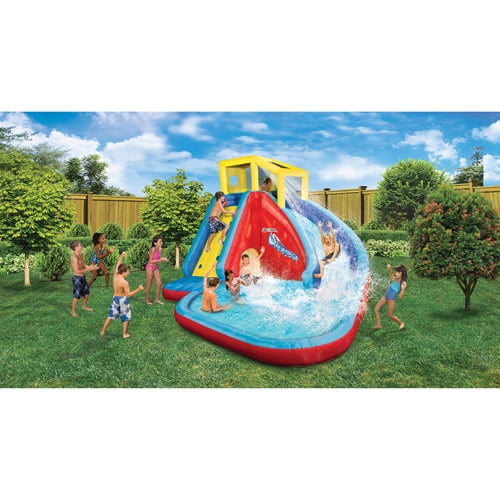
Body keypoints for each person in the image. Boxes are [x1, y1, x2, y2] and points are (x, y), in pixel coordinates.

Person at [100, 251, 144, 339]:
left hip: (115, 298)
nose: (128, 273)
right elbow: (128, 295)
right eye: (127, 272)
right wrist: (138, 290)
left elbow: (118, 265)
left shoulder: (115, 276)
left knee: (111, 315)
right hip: (123, 300)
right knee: (126, 316)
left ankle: (102, 331)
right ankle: (125, 334)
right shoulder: (124, 282)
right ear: (123, 272)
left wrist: (121, 256)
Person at [372, 264, 408, 330]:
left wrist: (403, 289)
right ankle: (378, 324)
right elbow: (392, 278)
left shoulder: (403, 283)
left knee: (390, 315)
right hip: (386, 294)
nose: (395, 273)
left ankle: (401, 323)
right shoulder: (397, 278)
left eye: (396, 272)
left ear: (401, 273)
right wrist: (389, 271)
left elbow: (400, 297)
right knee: (376, 309)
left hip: (391, 298)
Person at [70, 240, 99, 317]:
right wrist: (90, 269)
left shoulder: (81, 254)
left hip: (82, 277)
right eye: (80, 245)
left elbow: (83, 265)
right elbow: (77, 271)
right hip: (77, 278)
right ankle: (73, 311)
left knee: (86, 293)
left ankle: (84, 306)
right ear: (76, 247)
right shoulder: (74, 258)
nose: (82, 246)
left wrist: (90, 267)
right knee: (77, 296)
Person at [144, 235, 169, 305]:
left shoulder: (160, 249)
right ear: (155, 243)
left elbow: (156, 258)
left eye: (162, 241)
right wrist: (161, 259)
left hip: (155, 267)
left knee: (159, 283)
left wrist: (162, 259)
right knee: (149, 283)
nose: (162, 243)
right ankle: (146, 300)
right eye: (160, 241)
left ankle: (156, 299)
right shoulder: (153, 249)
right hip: (150, 267)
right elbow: (150, 261)